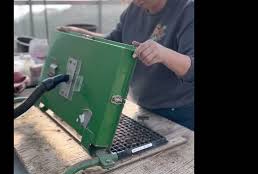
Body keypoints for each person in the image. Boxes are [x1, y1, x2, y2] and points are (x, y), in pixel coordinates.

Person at [57, 0, 194, 130]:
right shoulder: (135, 9)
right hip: (144, 107)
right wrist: (82, 35)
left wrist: (163, 54)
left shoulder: (187, 9)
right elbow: (113, 41)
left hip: (178, 112)